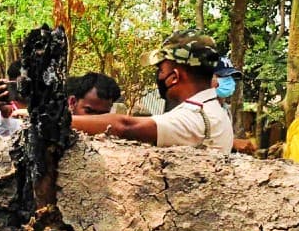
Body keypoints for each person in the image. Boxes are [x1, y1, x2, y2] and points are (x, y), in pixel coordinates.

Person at [71, 30, 233, 153]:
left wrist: (59, 120)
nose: (159, 76)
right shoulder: (213, 111)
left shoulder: (195, 118)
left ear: (174, 77)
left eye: (161, 70)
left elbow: (125, 127)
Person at [0, 60, 29, 135]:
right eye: (16, 85)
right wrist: (4, 115)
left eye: (25, 85)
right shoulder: (9, 109)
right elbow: (3, 135)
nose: (21, 90)